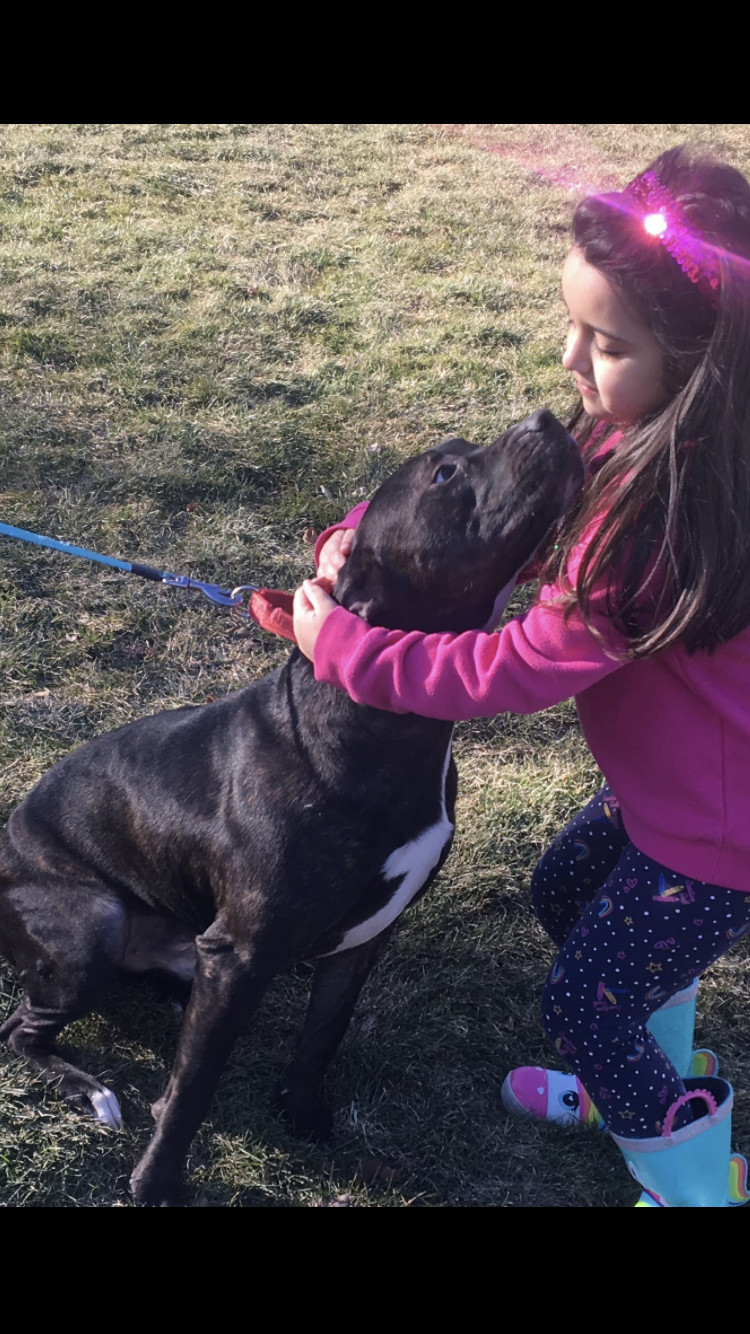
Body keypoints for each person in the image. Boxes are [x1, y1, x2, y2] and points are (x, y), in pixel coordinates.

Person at [292, 145, 750, 1208]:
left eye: (607, 343)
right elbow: (524, 512)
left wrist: (349, 650)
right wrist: (361, 539)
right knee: (565, 896)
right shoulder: (650, 435)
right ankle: (643, 1083)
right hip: (672, 795)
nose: (570, 359)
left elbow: (515, 665)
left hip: (714, 836)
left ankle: (690, 1180)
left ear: (703, 358)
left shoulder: (664, 512)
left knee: (588, 1001)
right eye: (574, 325)